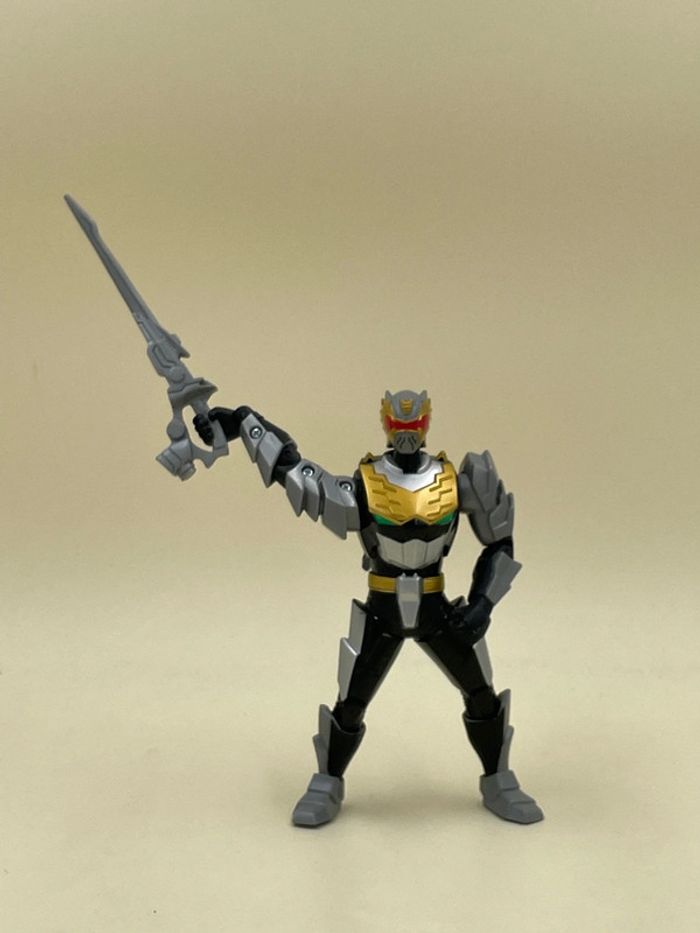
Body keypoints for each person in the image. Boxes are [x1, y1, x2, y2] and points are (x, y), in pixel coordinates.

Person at [194, 389, 543, 827]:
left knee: (481, 695)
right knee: (351, 703)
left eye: (413, 426)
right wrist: (245, 423)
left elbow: (501, 542)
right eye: (399, 427)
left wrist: (482, 606)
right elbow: (297, 474)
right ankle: (327, 781)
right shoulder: (366, 483)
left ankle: (498, 779)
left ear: (426, 423)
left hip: (437, 610)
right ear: (386, 424)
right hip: (383, 610)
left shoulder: (458, 479)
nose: (406, 435)